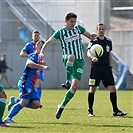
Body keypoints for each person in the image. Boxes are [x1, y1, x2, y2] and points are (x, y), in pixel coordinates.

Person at [39, 12, 96, 119]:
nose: (73, 23)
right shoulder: (60, 32)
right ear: (66, 21)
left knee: (75, 87)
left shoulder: (78, 28)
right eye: (71, 21)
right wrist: (42, 52)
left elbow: (90, 37)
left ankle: (62, 106)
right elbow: (47, 42)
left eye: (74, 21)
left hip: (80, 61)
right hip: (67, 57)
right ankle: (67, 81)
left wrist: (92, 36)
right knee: (71, 57)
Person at [3, 40, 50, 123]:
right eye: (41, 47)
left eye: (44, 48)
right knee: (24, 101)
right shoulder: (33, 55)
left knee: (36, 104)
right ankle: (8, 118)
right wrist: (42, 66)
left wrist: (41, 64)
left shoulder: (39, 59)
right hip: (25, 82)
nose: (42, 49)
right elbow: (29, 63)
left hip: (30, 85)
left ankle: (15, 101)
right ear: (36, 47)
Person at [87, 23, 127, 117]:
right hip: (96, 68)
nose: (101, 31)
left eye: (102, 29)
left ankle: (115, 110)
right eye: (99, 29)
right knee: (92, 89)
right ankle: (90, 111)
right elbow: (88, 52)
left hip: (106, 69)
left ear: (105, 30)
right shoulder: (93, 41)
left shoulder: (108, 41)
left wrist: (110, 66)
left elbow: (109, 54)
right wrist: (92, 57)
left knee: (113, 89)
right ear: (97, 30)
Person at [20, 30, 44, 98]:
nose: (36, 37)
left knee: (39, 83)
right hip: (31, 68)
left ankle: (38, 100)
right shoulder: (29, 45)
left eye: (37, 36)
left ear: (39, 37)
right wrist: (31, 56)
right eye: (35, 36)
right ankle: (23, 100)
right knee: (31, 85)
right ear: (32, 37)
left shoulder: (41, 45)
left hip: (39, 67)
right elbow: (21, 54)